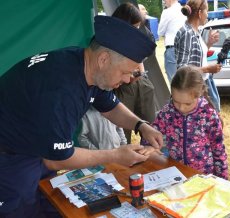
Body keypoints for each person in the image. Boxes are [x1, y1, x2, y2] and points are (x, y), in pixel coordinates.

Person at [0, 15, 163, 217]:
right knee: (21, 211)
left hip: (33, 146)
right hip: (10, 157)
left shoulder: (87, 66)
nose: (129, 79)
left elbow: (110, 106)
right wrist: (115, 155)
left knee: (50, 201)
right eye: (125, 72)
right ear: (104, 59)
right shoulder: (61, 90)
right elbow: (56, 160)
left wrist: (141, 125)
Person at [141, 66, 228, 179]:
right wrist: (148, 145)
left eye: (187, 104)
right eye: (176, 101)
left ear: (199, 94)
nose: (181, 108)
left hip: (204, 176)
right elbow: (151, 132)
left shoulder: (208, 114)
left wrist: (223, 179)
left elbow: (218, 149)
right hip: (176, 173)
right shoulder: (168, 112)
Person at [112, 3, 156, 144]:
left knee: (151, 126)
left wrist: (141, 75)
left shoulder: (135, 38)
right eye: (134, 26)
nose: (137, 30)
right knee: (123, 132)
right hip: (122, 88)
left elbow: (139, 59)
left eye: (138, 26)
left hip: (140, 83)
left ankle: (154, 157)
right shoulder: (111, 39)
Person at [174, 0, 222, 112]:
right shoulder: (187, 33)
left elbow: (196, 56)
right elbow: (182, 68)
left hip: (202, 82)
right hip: (194, 87)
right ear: (200, 13)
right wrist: (208, 69)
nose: (207, 15)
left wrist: (209, 43)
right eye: (207, 11)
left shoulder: (194, 31)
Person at [158, 0, 186, 82]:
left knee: (174, 81)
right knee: (185, 80)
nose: (164, 2)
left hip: (172, 49)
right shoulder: (184, 11)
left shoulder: (167, 12)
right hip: (185, 48)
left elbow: (160, 32)